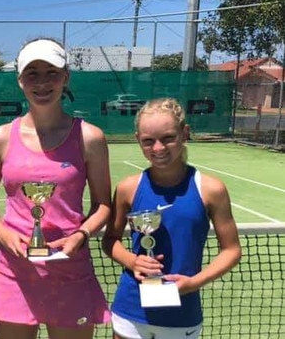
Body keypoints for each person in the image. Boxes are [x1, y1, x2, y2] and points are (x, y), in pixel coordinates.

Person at [0, 38, 112, 339]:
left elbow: (103, 204)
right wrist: (4, 234)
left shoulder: (89, 138)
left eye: (51, 72)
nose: (42, 83)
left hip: (70, 271)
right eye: (32, 74)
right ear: (20, 80)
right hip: (14, 272)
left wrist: (80, 235)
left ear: (66, 77)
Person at [102, 98, 242, 339]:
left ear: (184, 133)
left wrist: (193, 283)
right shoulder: (128, 188)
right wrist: (132, 261)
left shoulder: (211, 189)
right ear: (138, 140)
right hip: (131, 310)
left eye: (168, 137)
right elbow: (110, 240)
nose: (158, 148)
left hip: (182, 313)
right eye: (148, 141)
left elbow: (231, 250)